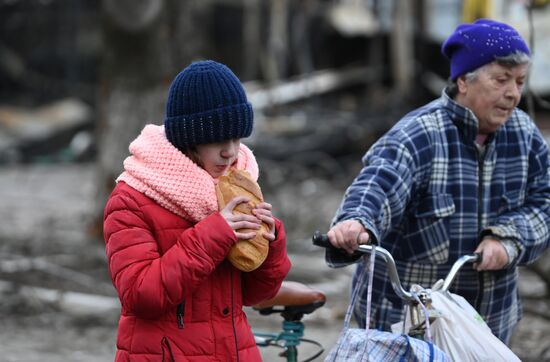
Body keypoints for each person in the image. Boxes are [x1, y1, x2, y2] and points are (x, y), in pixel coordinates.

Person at [325, 18, 550, 344]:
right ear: (463, 81)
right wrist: (356, 221)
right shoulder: (417, 135)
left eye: (520, 81)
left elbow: (544, 201)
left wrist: (509, 239)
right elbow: (379, 182)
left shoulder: (525, 136)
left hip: (489, 324)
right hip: (410, 326)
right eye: (501, 80)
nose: (513, 93)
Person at [103, 60, 291, 361]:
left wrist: (271, 243)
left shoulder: (236, 186)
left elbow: (257, 295)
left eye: (237, 137)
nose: (230, 151)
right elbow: (141, 295)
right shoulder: (131, 199)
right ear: (188, 139)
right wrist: (215, 234)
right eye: (217, 140)